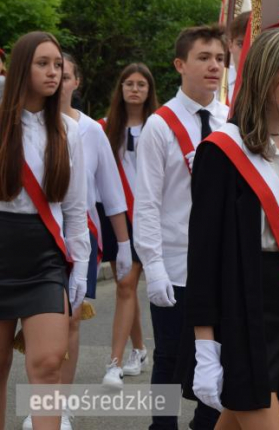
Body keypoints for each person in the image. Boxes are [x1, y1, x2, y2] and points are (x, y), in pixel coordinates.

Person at [180, 28, 279, 429]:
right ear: (265, 77)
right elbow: (203, 256)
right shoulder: (222, 152)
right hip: (239, 307)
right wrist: (206, 346)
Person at [134, 25, 229, 430]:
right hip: (174, 263)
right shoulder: (160, 124)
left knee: (220, 355)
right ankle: (163, 425)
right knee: (171, 358)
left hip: (222, 264)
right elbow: (148, 202)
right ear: (180, 64)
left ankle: (206, 424)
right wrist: (152, 266)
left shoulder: (230, 120)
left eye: (220, 59)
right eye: (204, 58)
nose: (214, 66)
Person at [0, 32, 90, 430]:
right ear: (22, 67)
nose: (53, 72)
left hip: (45, 256)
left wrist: (81, 270)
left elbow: (75, 208)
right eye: (43, 63)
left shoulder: (68, 132)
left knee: (49, 362)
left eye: (58, 65)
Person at [52, 54, 131, 430]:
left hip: (79, 233)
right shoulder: (19, 125)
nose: (58, 80)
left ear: (76, 82)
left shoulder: (90, 130)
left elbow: (112, 193)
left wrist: (125, 244)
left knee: (69, 325)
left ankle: (58, 408)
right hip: (34, 236)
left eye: (65, 75)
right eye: (51, 72)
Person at [100, 63, 159, 386]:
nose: (135, 89)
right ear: (120, 89)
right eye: (129, 84)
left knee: (125, 286)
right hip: (116, 217)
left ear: (149, 91)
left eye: (141, 84)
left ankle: (114, 362)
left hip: (147, 217)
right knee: (128, 288)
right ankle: (138, 348)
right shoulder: (105, 128)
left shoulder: (159, 127)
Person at [226, 11, 251, 105]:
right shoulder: (215, 83)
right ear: (230, 45)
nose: (246, 51)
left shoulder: (273, 86)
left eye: (252, 44)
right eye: (241, 44)